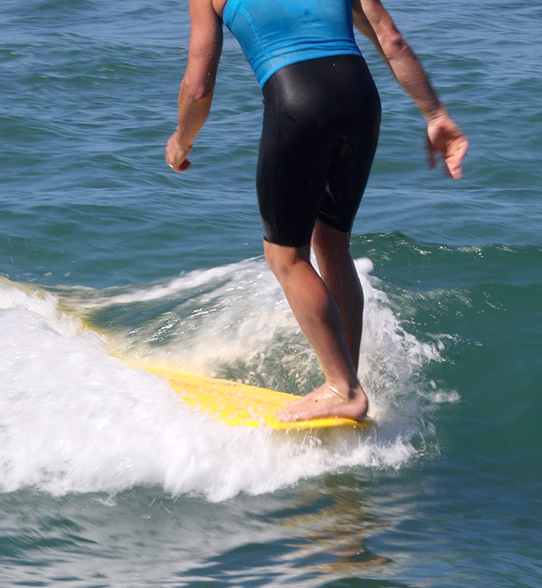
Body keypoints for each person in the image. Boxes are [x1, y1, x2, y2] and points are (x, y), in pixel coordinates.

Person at [165, 0, 468, 423]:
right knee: (332, 242)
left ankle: (342, 389)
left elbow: (198, 86)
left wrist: (182, 140)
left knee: (285, 256)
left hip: (299, 104)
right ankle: (348, 378)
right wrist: (436, 114)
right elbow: (391, 38)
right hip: (362, 100)